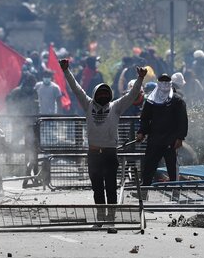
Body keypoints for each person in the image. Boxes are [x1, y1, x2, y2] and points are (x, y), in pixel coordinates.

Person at [60, 59, 147, 219]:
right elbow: (76, 89)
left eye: (106, 93)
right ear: (94, 95)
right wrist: (66, 71)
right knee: (97, 187)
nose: (103, 96)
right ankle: (100, 215)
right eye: (100, 93)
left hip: (109, 154)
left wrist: (140, 78)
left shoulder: (116, 107)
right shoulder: (88, 105)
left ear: (110, 95)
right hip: (93, 154)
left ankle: (111, 216)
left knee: (111, 186)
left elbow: (132, 95)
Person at [136, 74, 188, 186]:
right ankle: (145, 191)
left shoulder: (176, 100)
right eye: (162, 82)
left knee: (172, 168)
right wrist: (141, 132)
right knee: (149, 166)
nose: (164, 85)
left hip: (171, 140)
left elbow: (182, 120)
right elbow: (145, 118)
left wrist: (180, 137)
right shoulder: (151, 100)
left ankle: (175, 191)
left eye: (166, 82)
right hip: (154, 139)